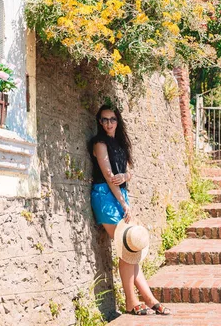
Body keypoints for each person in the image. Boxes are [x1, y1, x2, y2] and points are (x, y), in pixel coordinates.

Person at [88, 104, 171, 316]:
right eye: (104, 119)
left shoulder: (120, 144)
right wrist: (124, 203)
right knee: (127, 249)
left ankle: (149, 299)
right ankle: (130, 300)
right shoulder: (99, 143)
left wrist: (126, 177)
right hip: (106, 196)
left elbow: (125, 174)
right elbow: (108, 176)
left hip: (120, 195)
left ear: (118, 121)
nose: (108, 123)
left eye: (112, 119)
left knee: (132, 249)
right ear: (99, 121)